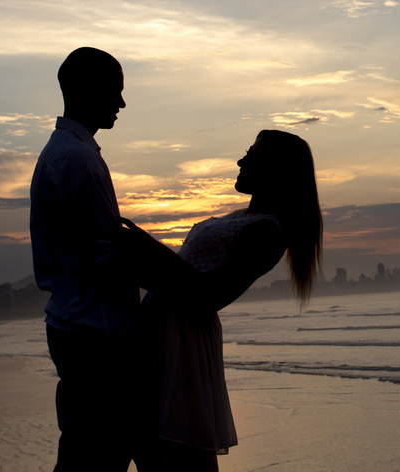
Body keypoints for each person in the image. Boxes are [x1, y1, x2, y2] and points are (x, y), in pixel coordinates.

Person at [31, 47, 217, 471]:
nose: (121, 103)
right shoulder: (77, 160)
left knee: (90, 450)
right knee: (97, 455)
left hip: (77, 324)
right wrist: (183, 283)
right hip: (98, 334)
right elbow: (110, 253)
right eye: (115, 91)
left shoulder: (64, 153)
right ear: (85, 90)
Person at [135, 129, 323, 471]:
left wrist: (145, 256)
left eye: (251, 155)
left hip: (182, 340)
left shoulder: (268, 231)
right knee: (158, 448)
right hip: (168, 332)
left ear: (274, 168)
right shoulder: (246, 218)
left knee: (173, 452)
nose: (240, 161)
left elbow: (208, 296)